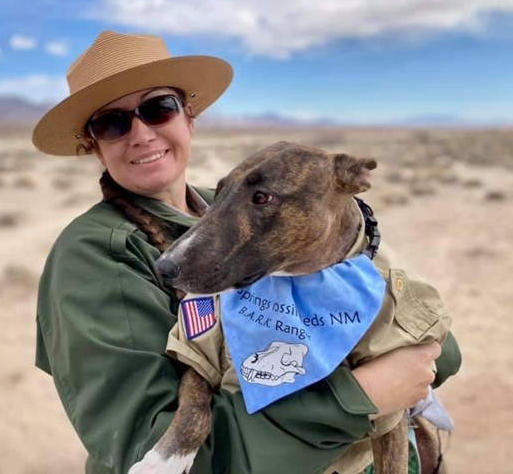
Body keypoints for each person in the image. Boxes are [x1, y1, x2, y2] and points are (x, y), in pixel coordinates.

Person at [32, 31, 461, 474]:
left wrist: (406, 365)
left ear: (189, 116)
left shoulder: (234, 208)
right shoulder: (94, 255)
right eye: (112, 123)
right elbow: (152, 450)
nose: (141, 134)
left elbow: (436, 353)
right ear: (93, 145)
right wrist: (362, 396)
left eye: (158, 108)